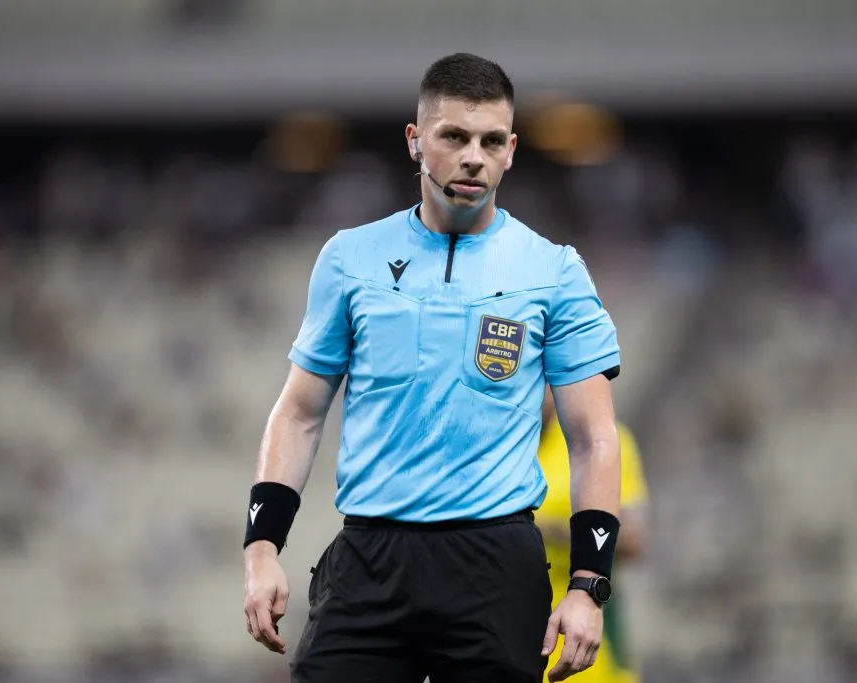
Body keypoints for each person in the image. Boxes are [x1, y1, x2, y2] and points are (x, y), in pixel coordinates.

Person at [242, 52, 624, 683]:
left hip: (495, 563)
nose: (473, 155)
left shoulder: (554, 271)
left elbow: (594, 436)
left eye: (491, 140)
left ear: (511, 151)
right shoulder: (350, 259)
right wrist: (261, 548)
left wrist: (588, 585)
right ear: (416, 142)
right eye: (454, 136)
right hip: (370, 555)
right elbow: (300, 413)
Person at [535, 387, 649, 683]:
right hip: (516, 625)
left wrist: (542, 532)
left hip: (588, 627)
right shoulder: (499, 445)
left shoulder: (599, 442)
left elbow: (632, 540)